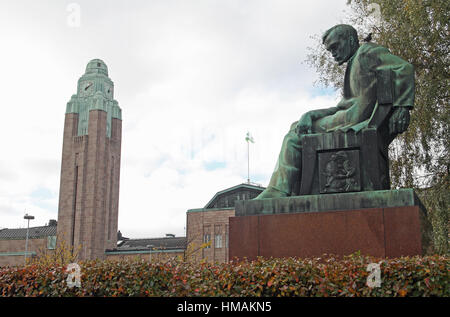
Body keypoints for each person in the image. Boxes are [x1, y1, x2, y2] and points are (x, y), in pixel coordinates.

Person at [255, 24, 414, 199]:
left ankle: (279, 190)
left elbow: (404, 68)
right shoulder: (355, 61)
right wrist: (310, 114)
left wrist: (402, 107)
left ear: (351, 40)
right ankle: (287, 190)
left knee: (294, 135)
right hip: (348, 116)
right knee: (298, 125)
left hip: (354, 120)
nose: (333, 53)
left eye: (335, 46)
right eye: (330, 50)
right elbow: (342, 106)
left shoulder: (367, 52)